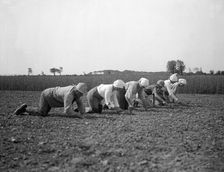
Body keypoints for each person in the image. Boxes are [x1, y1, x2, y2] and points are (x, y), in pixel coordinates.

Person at [13, 83, 88, 118]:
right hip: (47, 95)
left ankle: (26, 110)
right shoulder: (69, 94)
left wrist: (82, 113)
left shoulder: (76, 92)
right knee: (42, 113)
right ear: (77, 91)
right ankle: (25, 109)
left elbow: (80, 103)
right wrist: (78, 115)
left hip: (52, 95)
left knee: (43, 112)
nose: (81, 95)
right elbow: (67, 111)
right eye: (81, 94)